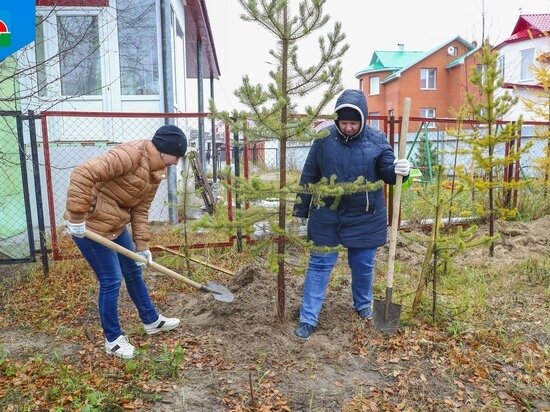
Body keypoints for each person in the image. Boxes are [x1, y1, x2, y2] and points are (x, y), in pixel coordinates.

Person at [293, 89, 410, 340]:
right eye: (344, 122)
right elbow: (309, 174)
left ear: (364, 120)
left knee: (363, 264)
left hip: (365, 215)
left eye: (353, 123)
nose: (348, 127)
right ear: (336, 121)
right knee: (320, 264)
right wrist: (301, 209)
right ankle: (308, 318)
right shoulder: (323, 139)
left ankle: (363, 305)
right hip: (326, 213)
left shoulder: (377, 140)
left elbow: (388, 174)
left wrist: (401, 170)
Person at [64, 124, 188, 359]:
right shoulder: (130, 155)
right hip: (90, 225)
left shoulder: (156, 170)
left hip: (115, 223)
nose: (177, 162)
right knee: (111, 279)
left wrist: (142, 246)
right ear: (165, 149)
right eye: (177, 156)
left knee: (133, 271)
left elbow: (141, 208)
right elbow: (83, 172)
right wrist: (77, 216)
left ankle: (151, 321)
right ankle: (113, 340)